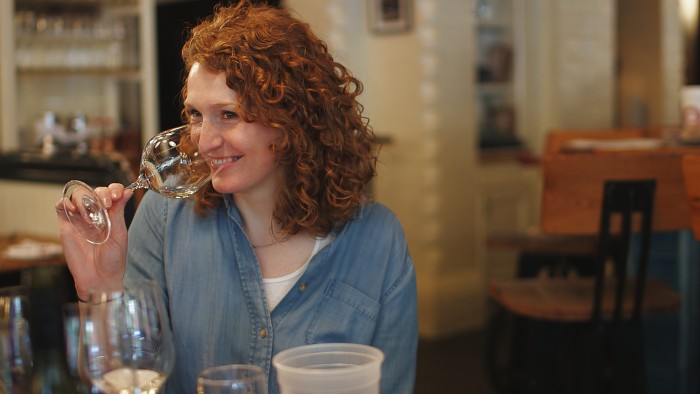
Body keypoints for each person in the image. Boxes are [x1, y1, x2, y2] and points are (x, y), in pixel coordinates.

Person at [55, 1, 418, 393]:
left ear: (288, 121)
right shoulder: (164, 216)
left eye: (228, 115)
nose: (204, 141)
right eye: (195, 115)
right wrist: (102, 288)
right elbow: (126, 379)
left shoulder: (377, 240)